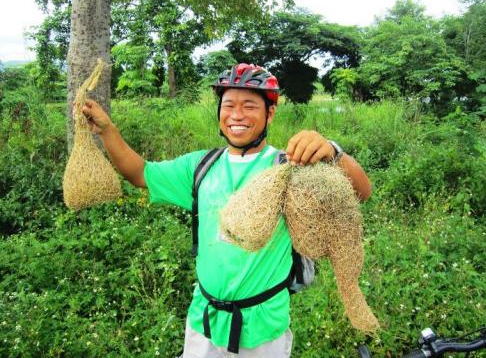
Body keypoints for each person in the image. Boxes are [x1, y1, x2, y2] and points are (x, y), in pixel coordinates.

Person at [80, 63, 371, 358]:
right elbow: (140, 174)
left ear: (270, 113)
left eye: (249, 106)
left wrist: (333, 153)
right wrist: (106, 130)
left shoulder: (290, 169)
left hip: (263, 329)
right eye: (228, 104)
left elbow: (360, 193)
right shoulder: (200, 167)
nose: (236, 115)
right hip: (203, 322)